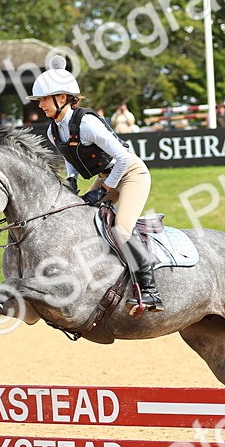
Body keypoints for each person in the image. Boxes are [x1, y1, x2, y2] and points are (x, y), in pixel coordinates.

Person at [29, 56, 162, 313]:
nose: (40, 104)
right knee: (79, 222)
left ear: (63, 97)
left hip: (131, 173)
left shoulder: (88, 122)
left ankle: (149, 290)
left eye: (44, 99)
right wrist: (71, 180)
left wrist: (103, 190)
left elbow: (123, 157)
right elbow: (70, 157)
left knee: (122, 230)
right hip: (105, 178)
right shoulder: (53, 130)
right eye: (40, 100)